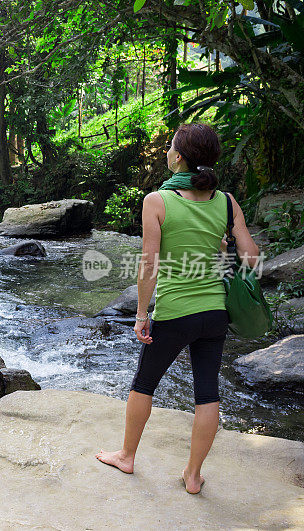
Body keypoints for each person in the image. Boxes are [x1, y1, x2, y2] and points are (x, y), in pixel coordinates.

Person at [94, 123, 261, 494]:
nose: (167, 152)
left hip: (174, 312)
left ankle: (126, 456)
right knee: (207, 391)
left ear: (179, 156)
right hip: (215, 313)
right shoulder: (227, 201)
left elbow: (149, 266)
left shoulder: (158, 201)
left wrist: (141, 315)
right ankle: (193, 475)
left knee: (144, 384)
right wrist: (222, 250)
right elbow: (251, 259)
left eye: (170, 147)